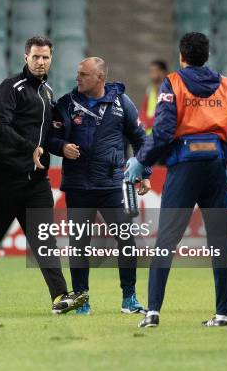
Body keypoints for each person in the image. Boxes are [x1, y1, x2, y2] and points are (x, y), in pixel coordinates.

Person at [127, 32, 227, 328]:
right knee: (220, 242)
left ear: (182, 56)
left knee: (166, 241)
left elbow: (165, 132)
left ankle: (153, 312)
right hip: (216, 166)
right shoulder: (226, 85)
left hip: (184, 168)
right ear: (205, 55)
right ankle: (222, 315)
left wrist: (142, 160)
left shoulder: (174, 83)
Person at [0, 35, 87, 315]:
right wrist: (29, 147)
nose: (40, 61)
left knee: (45, 240)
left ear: (51, 59)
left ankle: (59, 298)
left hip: (35, 181)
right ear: (26, 58)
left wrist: (61, 148)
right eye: (35, 56)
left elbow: (48, 137)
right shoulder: (11, 87)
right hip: (2, 177)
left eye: (45, 57)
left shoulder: (47, 94)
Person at [48, 57, 151, 315]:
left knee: (126, 239)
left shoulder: (122, 104)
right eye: (78, 73)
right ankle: (82, 300)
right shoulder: (65, 104)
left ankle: (130, 298)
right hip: (78, 186)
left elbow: (140, 139)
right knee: (79, 243)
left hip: (113, 185)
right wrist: (61, 147)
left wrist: (144, 172)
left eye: (83, 74)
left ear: (100, 78)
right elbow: (49, 137)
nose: (78, 78)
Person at [139, 60, 168, 135]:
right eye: (150, 71)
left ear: (162, 72)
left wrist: (147, 122)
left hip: (161, 136)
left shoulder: (169, 91)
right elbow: (143, 110)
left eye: (154, 71)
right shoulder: (150, 90)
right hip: (148, 136)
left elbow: (165, 115)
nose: (151, 74)